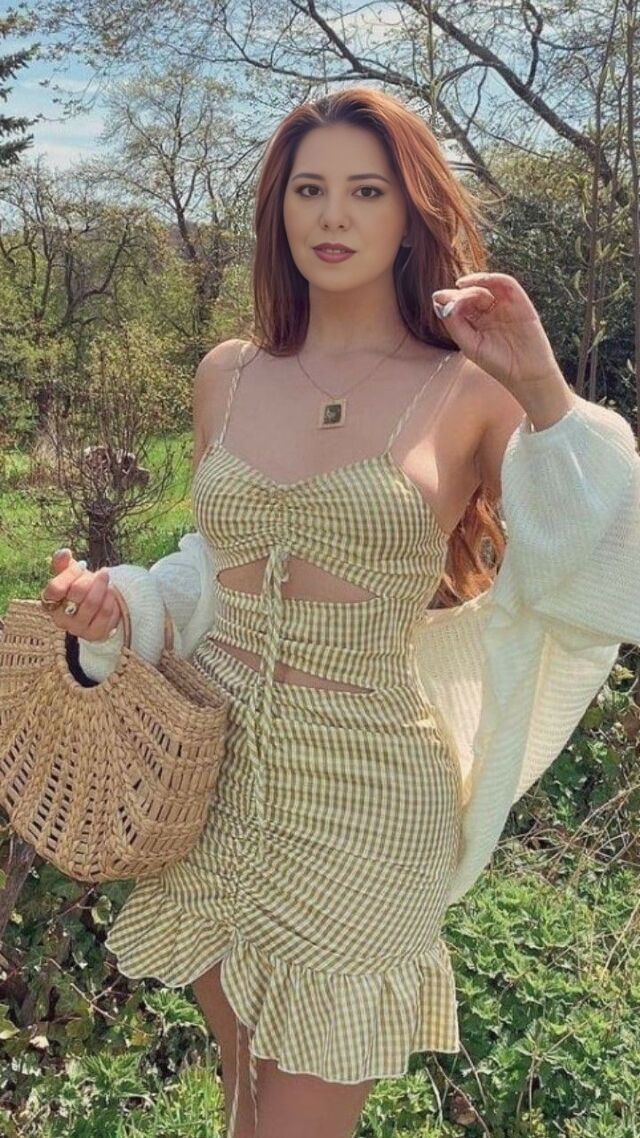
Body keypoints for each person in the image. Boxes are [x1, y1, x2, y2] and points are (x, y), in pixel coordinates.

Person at [41, 87, 640, 1138]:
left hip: (368, 791)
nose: (332, 215)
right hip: (215, 772)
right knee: (245, 1097)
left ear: (410, 214)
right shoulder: (229, 374)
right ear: (277, 211)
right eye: (308, 190)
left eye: (366, 191)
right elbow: (205, 563)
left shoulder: (470, 386)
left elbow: (597, 560)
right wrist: (116, 606)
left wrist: (545, 392)